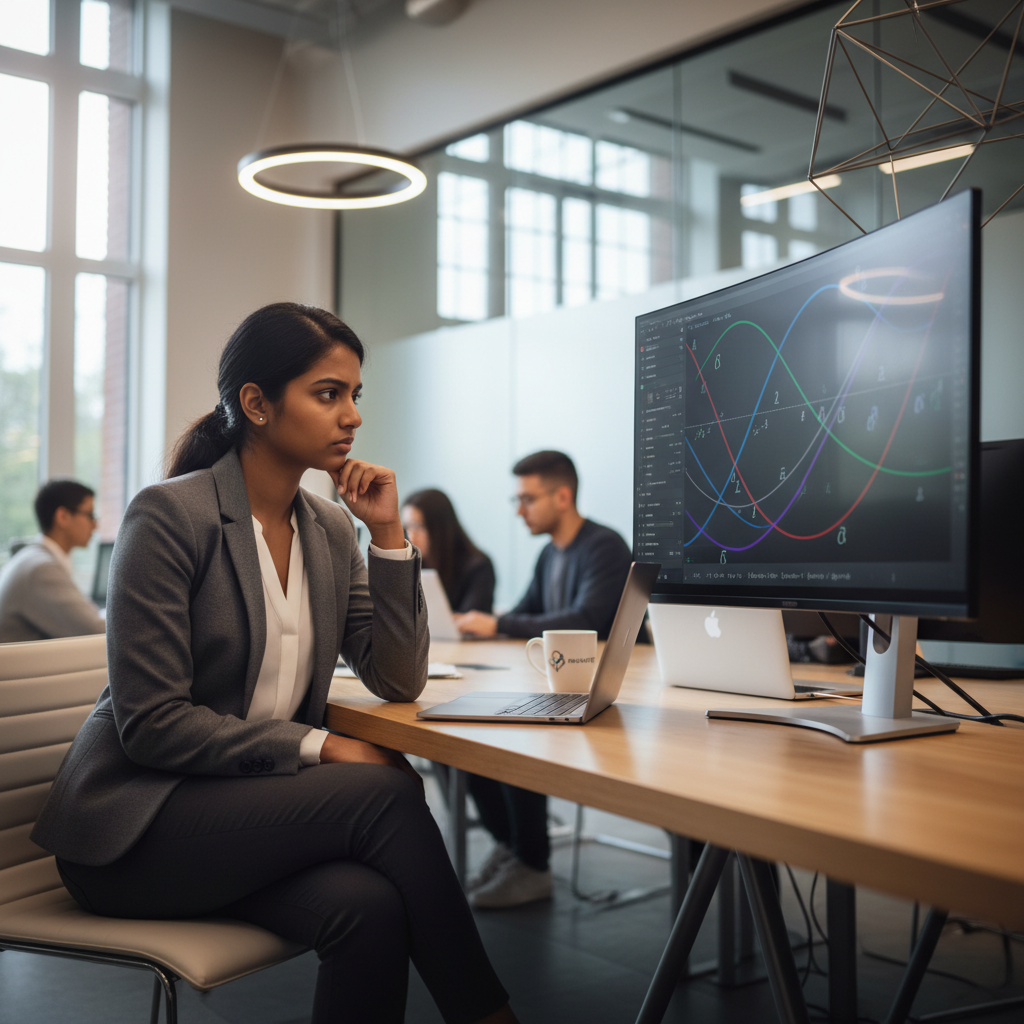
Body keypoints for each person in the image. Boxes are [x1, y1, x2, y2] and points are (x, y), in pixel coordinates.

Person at [31, 303, 518, 1024]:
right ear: (257, 404)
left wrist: (386, 535)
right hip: (137, 833)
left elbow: (397, 676)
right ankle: (486, 1014)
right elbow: (154, 726)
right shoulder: (169, 516)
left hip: (242, 817)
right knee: (386, 789)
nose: (351, 415)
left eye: (356, 395)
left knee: (370, 906)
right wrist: (320, 745)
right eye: (329, 394)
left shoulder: (329, 528)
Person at [455, 451, 632, 909]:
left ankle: (532, 864)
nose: (519, 510)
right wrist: (497, 621)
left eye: (527, 499)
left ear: (564, 495)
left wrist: (496, 625)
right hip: (559, 689)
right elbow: (523, 614)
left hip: (604, 697)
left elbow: (588, 618)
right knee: (470, 737)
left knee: (517, 739)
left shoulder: (605, 547)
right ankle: (517, 850)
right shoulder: (547, 555)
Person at [0, 479, 106, 642]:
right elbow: (97, 630)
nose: (95, 525)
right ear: (63, 516)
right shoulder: (41, 570)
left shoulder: (33, 558)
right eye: (90, 515)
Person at [401, 488, 495, 613]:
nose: (411, 536)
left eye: (418, 526)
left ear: (440, 527)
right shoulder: (411, 565)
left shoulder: (478, 567)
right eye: (408, 527)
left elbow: (473, 621)